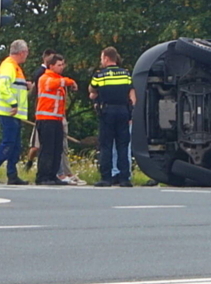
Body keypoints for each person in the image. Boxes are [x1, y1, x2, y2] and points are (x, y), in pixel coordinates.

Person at [0, 39, 30, 185]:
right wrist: (13, 103)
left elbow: (14, 85)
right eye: (26, 52)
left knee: (15, 145)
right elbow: (4, 87)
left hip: (14, 112)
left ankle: (12, 174)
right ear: (22, 52)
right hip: (8, 111)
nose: (27, 55)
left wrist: (26, 85)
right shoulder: (9, 66)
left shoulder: (14, 67)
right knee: (8, 143)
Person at [89, 47, 136, 187]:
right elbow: (132, 95)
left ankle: (106, 178)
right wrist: (131, 112)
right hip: (123, 112)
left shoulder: (100, 75)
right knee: (123, 145)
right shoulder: (126, 74)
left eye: (102, 58)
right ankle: (124, 178)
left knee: (106, 145)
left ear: (106, 58)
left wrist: (95, 96)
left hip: (107, 112)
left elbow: (92, 90)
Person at [35, 54, 78, 185]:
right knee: (47, 149)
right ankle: (43, 176)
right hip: (45, 118)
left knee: (57, 149)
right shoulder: (45, 78)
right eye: (59, 65)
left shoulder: (59, 79)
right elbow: (52, 85)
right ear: (51, 66)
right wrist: (70, 81)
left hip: (57, 119)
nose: (62, 67)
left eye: (62, 65)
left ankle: (53, 175)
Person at [25, 50, 57, 172]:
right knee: (38, 142)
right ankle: (30, 164)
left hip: (48, 112)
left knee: (40, 142)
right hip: (43, 112)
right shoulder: (41, 73)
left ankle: (32, 164)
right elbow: (35, 91)